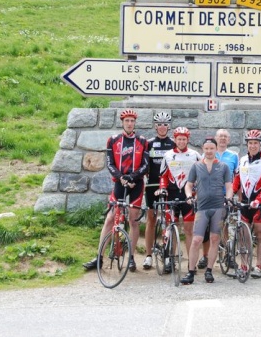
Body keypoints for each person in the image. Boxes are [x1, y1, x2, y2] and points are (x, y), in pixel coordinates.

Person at [83, 109, 149, 272]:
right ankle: (99, 257)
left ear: (135, 123)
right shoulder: (113, 140)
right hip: (119, 183)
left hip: (136, 185)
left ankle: (131, 257)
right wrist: (121, 178)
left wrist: (132, 178)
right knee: (110, 218)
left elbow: (145, 165)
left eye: (132, 121)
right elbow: (109, 163)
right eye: (127, 120)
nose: (129, 123)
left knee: (133, 221)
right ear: (122, 122)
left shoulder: (142, 141)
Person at [181, 137, 234, 285]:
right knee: (197, 239)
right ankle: (191, 271)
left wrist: (229, 198)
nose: (209, 151)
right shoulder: (196, 166)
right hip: (202, 207)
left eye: (212, 148)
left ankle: (209, 271)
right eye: (207, 149)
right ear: (203, 150)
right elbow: (188, 185)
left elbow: (229, 186)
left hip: (218, 206)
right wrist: (189, 196)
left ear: (216, 149)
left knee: (215, 239)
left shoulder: (223, 167)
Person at [232, 130, 261, 279]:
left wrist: (259, 200)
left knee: (260, 233)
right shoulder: (242, 160)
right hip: (245, 203)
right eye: (250, 143)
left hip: (260, 203)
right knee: (243, 234)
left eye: (255, 143)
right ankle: (244, 265)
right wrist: (230, 195)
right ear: (247, 144)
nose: (253, 146)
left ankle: (258, 266)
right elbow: (236, 180)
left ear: (260, 145)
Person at [158, 126, 201, 272]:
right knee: (172, 226)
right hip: (171, 195)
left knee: (189, 230)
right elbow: (163, 176)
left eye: (184, 139)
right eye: (179, 139)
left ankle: (191, 262)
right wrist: (163, 188)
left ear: (187, 140)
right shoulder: (168, 155)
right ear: (175, 139)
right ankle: (170, 259)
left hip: (189, 197)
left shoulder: (195, 154)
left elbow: (201, 175)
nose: (181, 142)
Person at [196, 129, 239, 271]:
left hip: (225, 197)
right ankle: (206, 255)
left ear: (229, 139)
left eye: (225, 137)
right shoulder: (205, 155)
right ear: (215, 138)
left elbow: (236, 177)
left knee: (225, 227)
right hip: (208, 198)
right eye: (220, 136)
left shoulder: (234, 156)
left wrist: (233, 195)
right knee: (207, 229)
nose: (222, 139)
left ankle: (228, 255)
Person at [141, 112, 176, 270]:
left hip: (168, 185)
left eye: (165, 124)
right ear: (155, 126)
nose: (162, 127)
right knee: (151, 219)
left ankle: (169, 255)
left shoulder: (174, 143)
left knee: (169, 220)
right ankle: (148, 255)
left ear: (168, 126)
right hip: (152, 185)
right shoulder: (148, 143)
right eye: (159, 124)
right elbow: (144, 164)